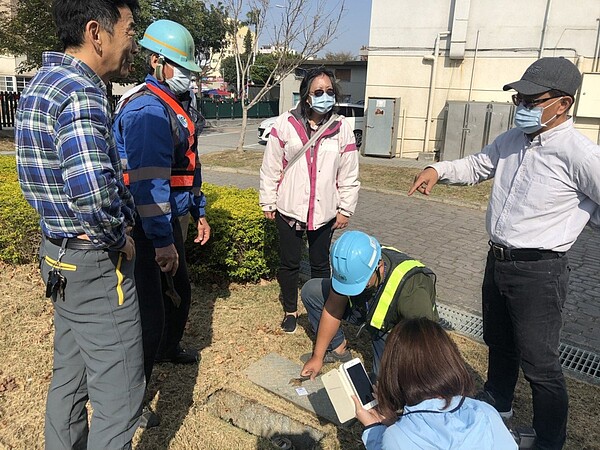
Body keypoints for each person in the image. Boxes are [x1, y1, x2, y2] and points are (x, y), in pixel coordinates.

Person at [409, 57, 600, 450]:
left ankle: (549, 440)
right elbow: (479, 165)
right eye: (519, 98)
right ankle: (498, 405)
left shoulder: (580, 154)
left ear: (562, 104)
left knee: (540, 364)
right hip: (498, 261)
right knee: (499, 342)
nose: (522, 106)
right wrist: (438, 170)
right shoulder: (513, 140)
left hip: (540, 272)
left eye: (532, 99)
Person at [15, 1, 144, 448]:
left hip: (57, 254)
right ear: (97, 32)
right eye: (129, 30)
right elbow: (92, 191)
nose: (133, 42)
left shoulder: (40, 84)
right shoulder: (81, 90)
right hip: (93, 262)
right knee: (120, 397)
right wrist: (120, 239)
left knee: (69, 380)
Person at [113, 19, 211, 427]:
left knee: (180, 292)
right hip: (147, 227)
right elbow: (148, 186)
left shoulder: (173, 104)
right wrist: (163, 241)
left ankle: (168, 348)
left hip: (168, 219)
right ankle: (129, 405)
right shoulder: (148, 111)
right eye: (180, 65)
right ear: (157, 62)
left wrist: (198, 209)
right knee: (147, 318)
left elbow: (187, 167)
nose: (188, 74)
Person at [259, 67, 360, 334]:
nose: (325, 96)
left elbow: (348, 173)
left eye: (329, 91)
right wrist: (268, 201)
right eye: (318, 92)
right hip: (289, 209)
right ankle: (290, 310)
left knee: (320, 266)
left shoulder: (342, 129)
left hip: (324, 213)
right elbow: (271, 167)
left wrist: (345, 208)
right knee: (289, 264)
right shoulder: (285, 124)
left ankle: (321, 314)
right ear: (306, 96)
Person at [354, 318, 517, 450]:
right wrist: (395, 422)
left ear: (395, 372)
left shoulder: (398, 438)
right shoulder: (485, 411)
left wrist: (374, 430)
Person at [300, 230, 438, 380]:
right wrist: (317, 357)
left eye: (361, 284)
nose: (351, 291)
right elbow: (333, 307)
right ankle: (338, 349)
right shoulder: (350, 265)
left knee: (382, 382)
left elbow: (424, 342)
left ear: (379, 267)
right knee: (312, 290)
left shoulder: (412, 290)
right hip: (366, 310)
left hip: (393, 328)